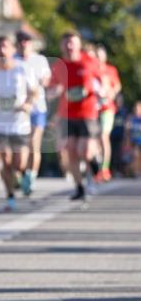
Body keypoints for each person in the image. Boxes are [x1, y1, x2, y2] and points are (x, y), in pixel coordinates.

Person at [0, 35, 37, 211]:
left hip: (20, 123)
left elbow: (34, 91)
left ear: (13, 50)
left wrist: (27, 104)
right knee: (5, 161)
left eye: (6, 47)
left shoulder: (23, 69)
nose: (2, 51)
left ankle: (25, 174)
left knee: (19, 163)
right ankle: (10, 197)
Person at [48, 30, 102, 203]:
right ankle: (80, 188)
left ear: (79, 45)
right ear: (61, 46)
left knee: (84, 151)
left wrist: (102, 91)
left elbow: (103, 82)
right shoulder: (58, 65)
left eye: (73, 43)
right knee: (70, 152)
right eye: (66, 43)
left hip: (87, 113)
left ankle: (94, 162)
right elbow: (51, 89)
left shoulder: (90, 62)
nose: (70, 46)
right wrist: (53, 92)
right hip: (66, 114)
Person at [15, 30, 51, 194]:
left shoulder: (40, 60)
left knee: (34, 144)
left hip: (38, 108)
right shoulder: (12, 60)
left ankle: (31, 176)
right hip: (19, 110)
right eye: (21, 41)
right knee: (21, 147)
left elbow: (47, 78)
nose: (24, 44)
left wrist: (44, 81)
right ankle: (22, 173)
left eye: (27, 41)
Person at [95, 45, 121, 182]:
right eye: (96, 56)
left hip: (107, 109)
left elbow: (117, 86)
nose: (98, 58)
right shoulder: (91, 70)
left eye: (100, 55)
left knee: (104, 136)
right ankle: (98, 167)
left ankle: (104, 169)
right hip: (93, 110)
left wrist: (111, 92)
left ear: (105, 56)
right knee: (95, 140)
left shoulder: (111, 70)